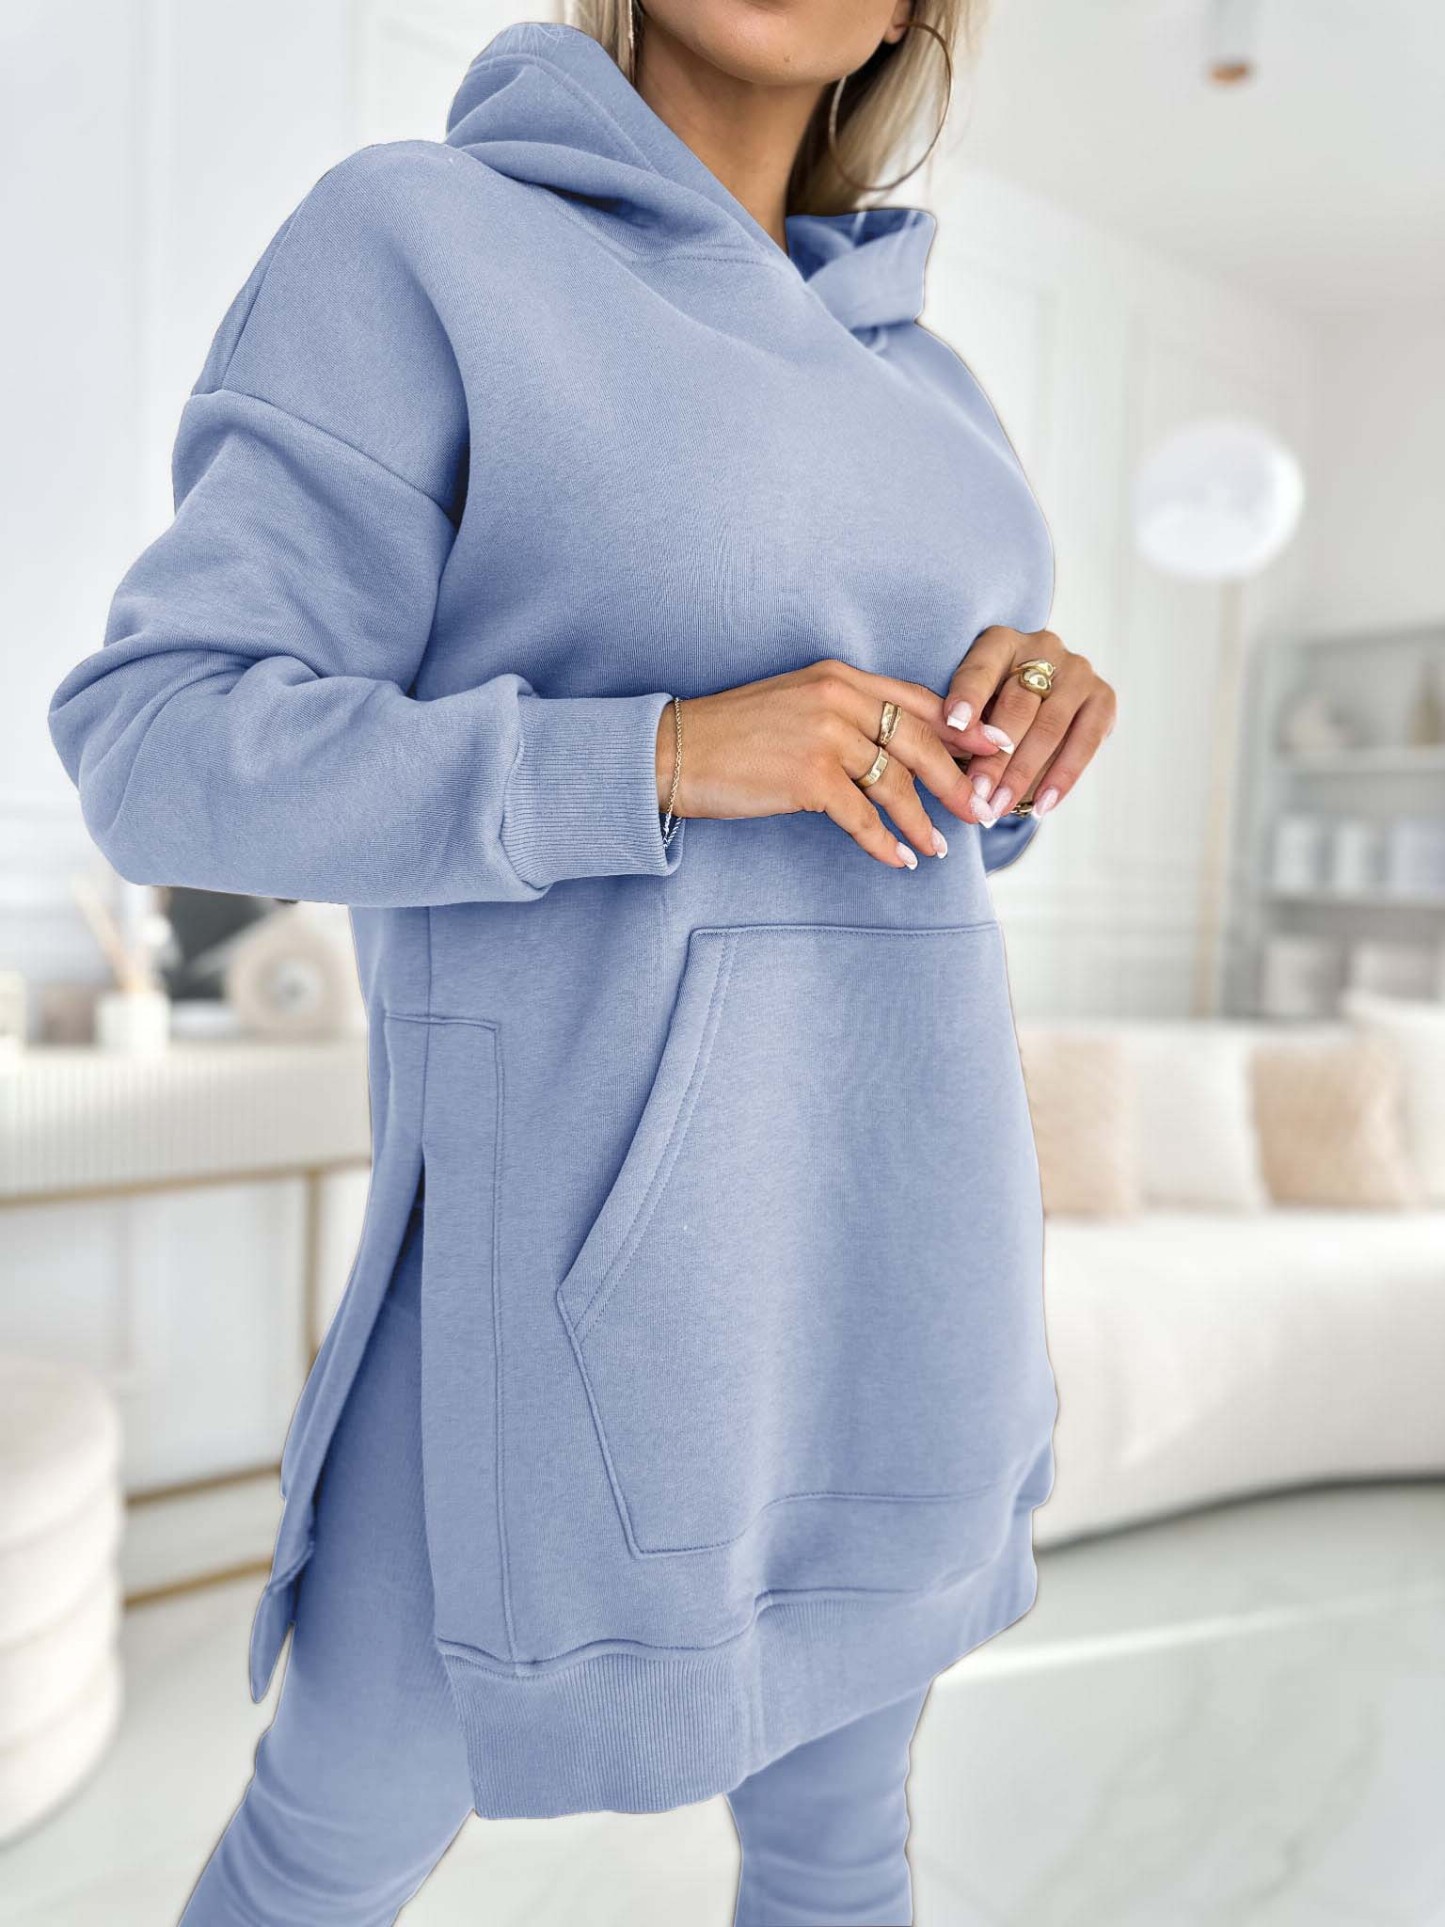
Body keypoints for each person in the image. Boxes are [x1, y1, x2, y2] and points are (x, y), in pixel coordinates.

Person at [49, 5, 1117, 1922]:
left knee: (839, 1858)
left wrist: (1018, 743)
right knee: (323, 1857)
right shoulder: (421, 238)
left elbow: (929, 822)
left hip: (908, 1262)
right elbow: (159, 747)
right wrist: (654, 756)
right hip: (560, 1298)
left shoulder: (938, 386)